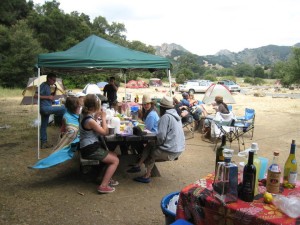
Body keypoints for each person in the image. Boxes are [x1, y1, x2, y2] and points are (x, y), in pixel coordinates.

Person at [128, 96, 185, 183]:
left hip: (171, 150)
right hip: (178, 148)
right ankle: (138, 165)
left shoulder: (165, 117)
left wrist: (157, 144)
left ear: (162, 107)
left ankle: (147, 175)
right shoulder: (176, 115)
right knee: (150, 144)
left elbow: (161, 137)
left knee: (152, 152)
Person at [79, 94, 119, 194]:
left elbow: (93, 127)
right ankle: (103, 186)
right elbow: (105, 132)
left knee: (113, 154)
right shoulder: (89, 120)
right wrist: (104, 118)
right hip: (89, 149)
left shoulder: (84, 114)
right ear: (95, 106)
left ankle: (105, 177)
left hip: (88, 146)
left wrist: (96, 117)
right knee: (115, 160)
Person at [35, 73, 66, 149]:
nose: (54, 82)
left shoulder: (48, 86)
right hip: (45, 108)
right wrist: (48, 97)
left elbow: (47, 98)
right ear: (49, 78)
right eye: (53, 80)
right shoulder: (43, 85)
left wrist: (51, 98)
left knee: (44, 126)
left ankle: (44, 143)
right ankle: (65, 131)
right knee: (65, 108)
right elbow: (35, 95)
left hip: (45, 108)